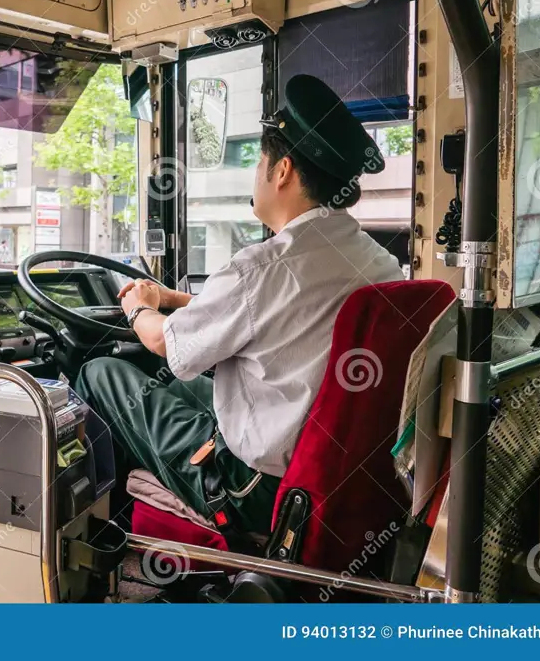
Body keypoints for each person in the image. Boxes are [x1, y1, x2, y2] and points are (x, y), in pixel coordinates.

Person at [75, 74, 403, 537]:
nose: (257, 175)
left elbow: (162, 341)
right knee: (174, 389)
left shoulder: (265, 265)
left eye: (259, 163)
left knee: (100, 373)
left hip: (251, 490)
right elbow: (278, 318)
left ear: (283, 170)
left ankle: (103, 543)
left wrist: (140, 306)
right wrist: (171, 299)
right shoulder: (376, 260)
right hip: (335, 474)